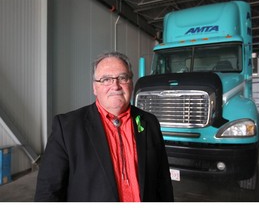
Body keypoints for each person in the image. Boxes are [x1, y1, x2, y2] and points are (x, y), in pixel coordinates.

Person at [34, 51, 174, 202]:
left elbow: (163, 182)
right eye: (106, 79)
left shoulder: (150, 122)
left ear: (131, 84)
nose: (116, 86)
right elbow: (48, 190)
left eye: (122, 78)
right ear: (95, 87)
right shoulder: (67, 128)